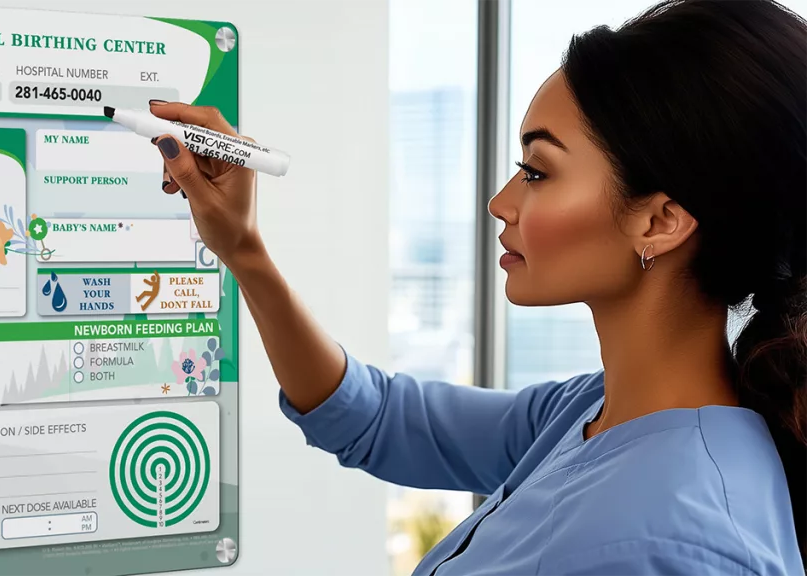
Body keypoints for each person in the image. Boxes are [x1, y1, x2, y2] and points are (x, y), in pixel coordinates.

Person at [147, 0, 807, 572]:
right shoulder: (590, 414)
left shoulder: (682, 542)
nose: (500, 202)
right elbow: (373, 419)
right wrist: (242, 249)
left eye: (539, 173)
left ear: (660, 221)